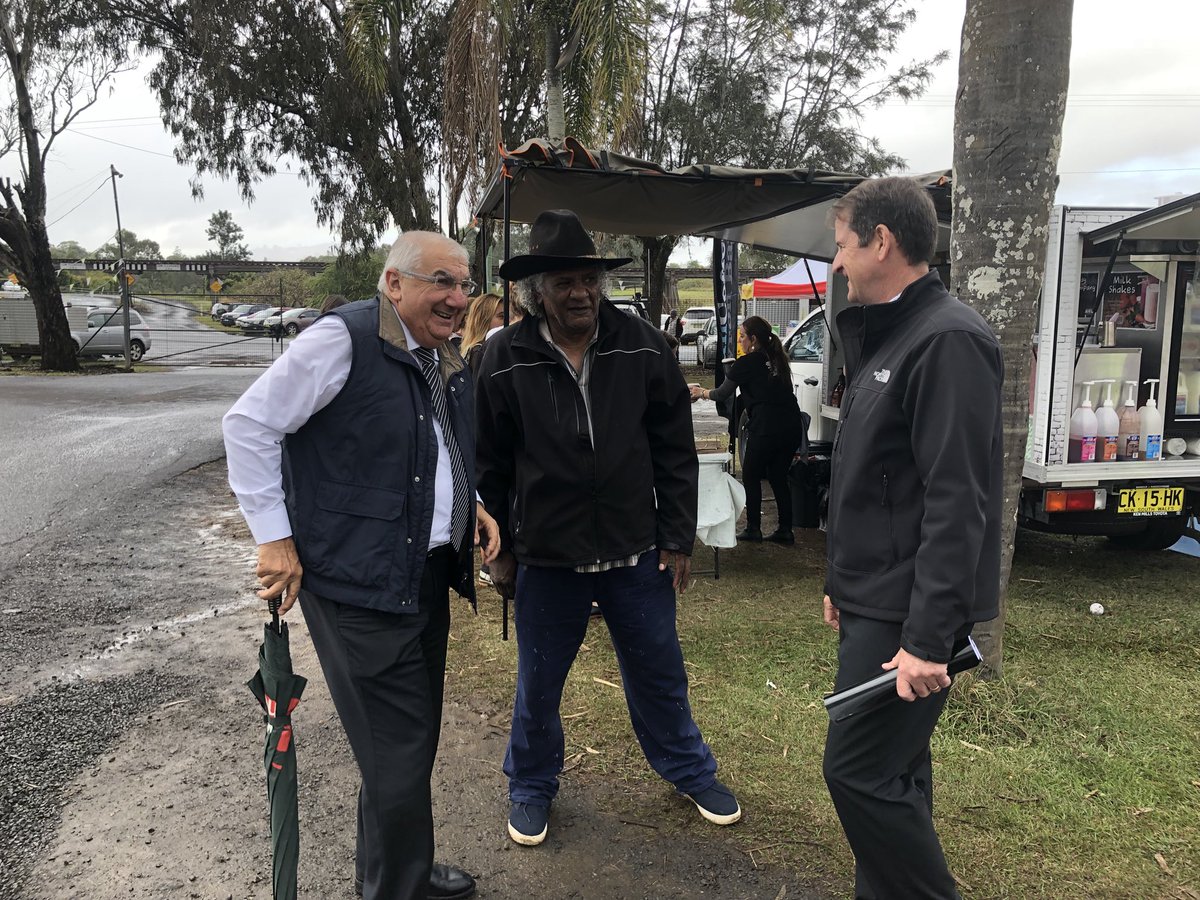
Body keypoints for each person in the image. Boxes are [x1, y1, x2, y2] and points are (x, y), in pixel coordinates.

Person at [222, 231, 501, 900]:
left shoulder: (434, 354)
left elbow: (429, 447)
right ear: (394, 283)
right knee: (399, 753)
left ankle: (398, 868)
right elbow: (249, 425)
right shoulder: (342, 340)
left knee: (405, 746)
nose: (458, 297)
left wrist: (476, 504)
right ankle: (397, 886)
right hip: (358, 584)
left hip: (419, 574)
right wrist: (274, 539)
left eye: (464, 284)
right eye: (442, 281)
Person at [475, 209, 742, 848]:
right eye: (565, 282)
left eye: (589, 281)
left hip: (636, 555)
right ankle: (532, 785)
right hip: (547, 558)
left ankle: (688, 769)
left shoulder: (644, 345)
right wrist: (500, 550)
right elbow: (488, 463)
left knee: (659, 671)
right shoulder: (503, 359)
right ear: (534, 291)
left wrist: (677, 536)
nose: (581, 294)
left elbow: (675, 450)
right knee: (538, 683)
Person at [819, 177, 1002, 899]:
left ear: (881, 242)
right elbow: (882, 483)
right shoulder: (896, 333)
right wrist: (844, 583)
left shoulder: (947, 340)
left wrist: (928, 637)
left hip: (909, 613)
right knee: (895, 771)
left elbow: (958, 501)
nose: (837, 265)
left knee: (857, 771)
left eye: (841, 247)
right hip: (876, 599)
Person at [690, 315, 806, 543]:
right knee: (778, 476)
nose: (740, 341)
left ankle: (754, 527)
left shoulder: (747, 363)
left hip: (766, 427)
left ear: (753, 339)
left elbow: (722, 393)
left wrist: (700, 393)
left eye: (742, 336)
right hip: (791, 425)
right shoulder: (778, 359)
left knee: (751, 475)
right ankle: (785, 529)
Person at [460, 292, 505, 374]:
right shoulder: (480, 352)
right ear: (484, 320)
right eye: (501, 317)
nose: (507, 321)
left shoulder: (476, 349)